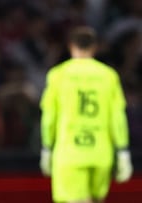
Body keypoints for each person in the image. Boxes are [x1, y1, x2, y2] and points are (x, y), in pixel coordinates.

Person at [39, 26, 133, 203]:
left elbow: (49, 117)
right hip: (100, 152)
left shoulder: (58, 75)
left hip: (70, 152)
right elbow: (118, 117)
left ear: (70, 46)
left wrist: (46, 147)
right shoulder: (109, 76)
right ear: (95, 47)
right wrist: (122, 151)